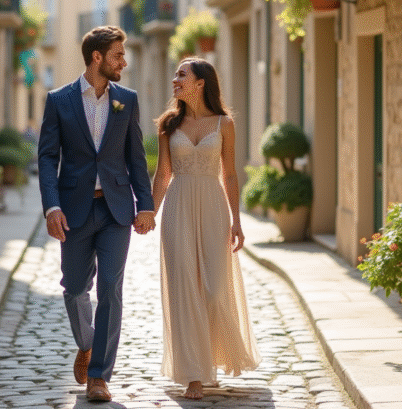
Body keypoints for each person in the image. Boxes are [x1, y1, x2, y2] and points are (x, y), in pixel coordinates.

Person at [38, 26, 155, 402]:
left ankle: (99, 376)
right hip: (73, 209)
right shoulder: (59, 100)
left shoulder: (127, 99)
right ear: (97, 58)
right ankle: (87, 344)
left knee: (111, 289)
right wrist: (51, 206)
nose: (124, 61)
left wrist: (147, 204)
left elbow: (135, 157)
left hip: (116, 209)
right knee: (74, 288)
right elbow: (47, 157)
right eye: (118, 55)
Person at [151, 57, 261, 400]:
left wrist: (237, 220)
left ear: (201, 82)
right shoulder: (168, 125)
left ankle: (214, 356)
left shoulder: (224, 123)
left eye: (182, 74)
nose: (175, 79)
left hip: (213, 208)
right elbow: (162, 175)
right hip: (178, 206)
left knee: (214, 290)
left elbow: (229, 173)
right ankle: (194, 375)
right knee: (184, 288)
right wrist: (148, 214)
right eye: (175, 74)